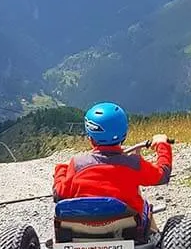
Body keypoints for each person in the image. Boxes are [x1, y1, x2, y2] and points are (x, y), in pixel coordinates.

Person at [52, 102, 172, 237]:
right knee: (145, 207)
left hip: (81, 228)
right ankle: (155, 238)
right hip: (128, 228)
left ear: (90, 138)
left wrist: (62, 168)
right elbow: (162, 175)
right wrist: (162, 145)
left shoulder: (77, 164)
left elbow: (59, 194)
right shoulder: (134, 163)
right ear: (124, 134)